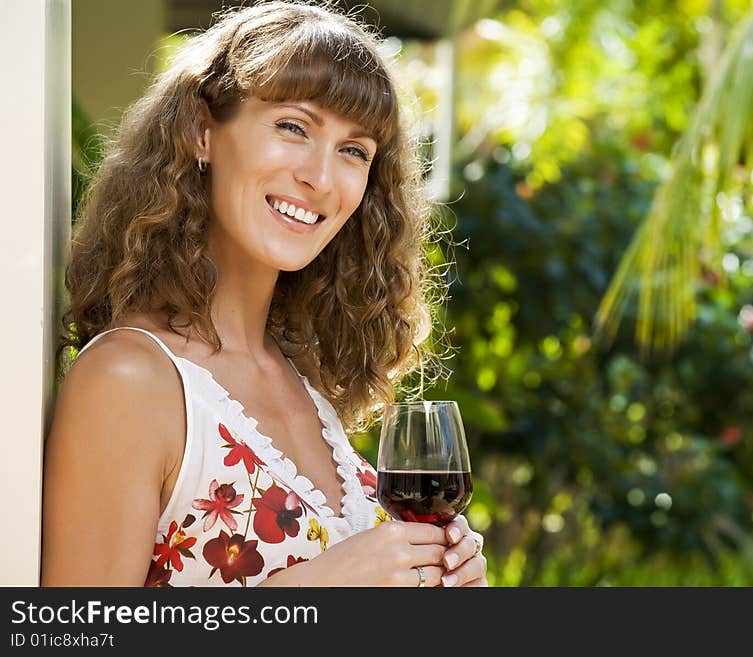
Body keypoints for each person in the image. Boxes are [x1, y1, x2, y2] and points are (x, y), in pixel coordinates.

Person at [42, 0, 487, 588]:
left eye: (354, 151)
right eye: (293, 127)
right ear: (203, 130)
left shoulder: (301, 379)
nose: (321, 179)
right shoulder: (130, 379)